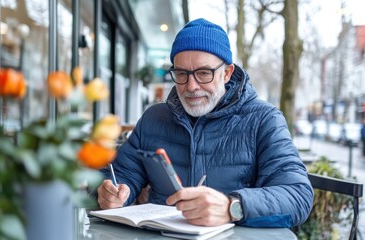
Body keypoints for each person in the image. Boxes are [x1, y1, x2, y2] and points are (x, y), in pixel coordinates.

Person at [97, 18, 313, 228]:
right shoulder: (154, 118)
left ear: (227, 73)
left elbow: (298, 197)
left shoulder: (264, 120)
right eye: (182, 73)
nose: (191, 86)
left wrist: (233, 207)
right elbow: (120, 174)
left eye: (203, 73)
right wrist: (113, 192)